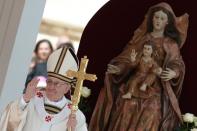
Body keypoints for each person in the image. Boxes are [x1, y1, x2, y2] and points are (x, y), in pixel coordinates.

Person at [89, 2, 189, 131]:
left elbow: (177, 63)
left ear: (167, 22)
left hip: (156, 86)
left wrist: (173, 72)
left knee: (153, 108)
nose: (158, 21)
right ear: (151, 18)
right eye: (156, 17)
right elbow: (128, 57)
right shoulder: (141, 39)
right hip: (136, 80)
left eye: (162, 18)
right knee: (126, 104)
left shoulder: (170, 44)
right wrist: (120, 68)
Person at [0, 47, 88, 131]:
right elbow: (9, 121)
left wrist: (72, 129)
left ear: (67, 88)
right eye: (49, 81)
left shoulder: (76, 116)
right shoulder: (31, 100)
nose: (51, 86)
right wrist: (25, 98)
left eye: (57, 83)